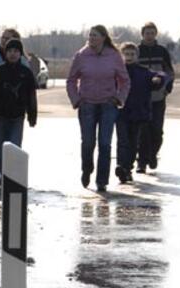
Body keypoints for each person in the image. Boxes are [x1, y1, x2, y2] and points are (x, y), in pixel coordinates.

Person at [67, 25, 130, 192]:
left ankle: (102, 180)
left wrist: (119, 98)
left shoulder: (114, 55)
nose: (92, 38)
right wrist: (76, 100)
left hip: (108, 104)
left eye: (95, 35)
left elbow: (125, 81)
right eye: (90, 35)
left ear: (103, 38)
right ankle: (87, 169)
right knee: (88, 142)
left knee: (105, 143)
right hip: (87, 104)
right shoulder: (81, 55)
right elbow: (71, 80)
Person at [115, 42, 168, 183]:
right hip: (121, 112)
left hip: (138, 113)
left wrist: (159, 79)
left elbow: (161, 74)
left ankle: (127, 168)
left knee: (133, 143)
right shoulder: (117, 73)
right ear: (121, 55)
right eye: (126, 54)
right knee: (122, 141)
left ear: (137, 56)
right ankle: (120, 166)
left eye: (132, 54)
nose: (129, 57)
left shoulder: (143, 72)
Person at [0, 39, 38, 184]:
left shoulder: (26, 73)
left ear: (20, 54)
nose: (12, 54)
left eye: (16, 51)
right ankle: (0, 171)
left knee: (15, 145)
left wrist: (32, 114)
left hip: (17, 115)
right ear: (6, 53)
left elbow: (31, 95)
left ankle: (12, 176)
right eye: (10, 51)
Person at [137, 21, 175, 173]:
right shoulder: (137, 50)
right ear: (143, 34)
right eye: (147, 33)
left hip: (159, 98)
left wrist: (167, 88)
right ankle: (142, 162)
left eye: (152, 33)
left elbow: (170, 71)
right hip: (141, 98)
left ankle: (153, 154)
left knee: (157, 130)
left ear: (155, 34)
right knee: (142, 131)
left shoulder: (162, 51)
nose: (150, 36)